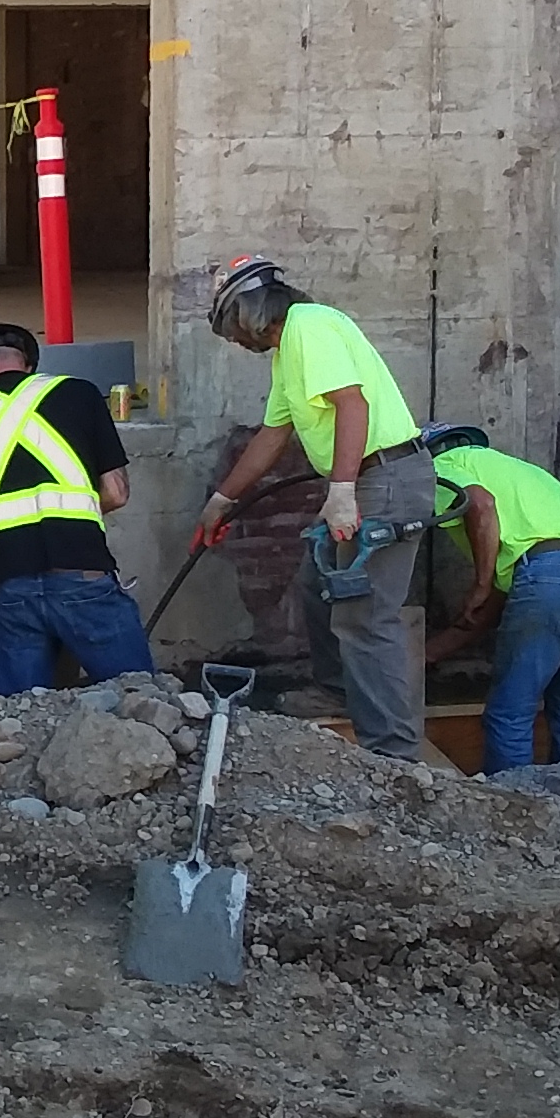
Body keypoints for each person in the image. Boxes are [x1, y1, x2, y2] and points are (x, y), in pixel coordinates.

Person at [194, 254, 431, 760]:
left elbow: (353, 405)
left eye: (231, 327)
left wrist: (341, 491)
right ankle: (337, 689)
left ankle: (393, 754)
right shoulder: (289, 352)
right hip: (367, 479)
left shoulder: (311, 327)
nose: (235, 341)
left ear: (248, 310)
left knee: (366, 617)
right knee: (316, 585)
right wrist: (221, 501)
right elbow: (272, 436)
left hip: (383, 480)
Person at [0, 320, 154, 695]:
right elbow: (115, 492)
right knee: (142, 698)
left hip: (6, 583)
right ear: (29, 363)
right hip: (82, 569)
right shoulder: (80, 393)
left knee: (21, 716)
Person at [425, 439, 560, 773]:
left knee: (509, 712)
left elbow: (480, 504)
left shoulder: (441, 466)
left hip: (555, 582)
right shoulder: (522, 475)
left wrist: (479, 584)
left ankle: (515, 811)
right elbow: (507, 593)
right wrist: (430, 653)